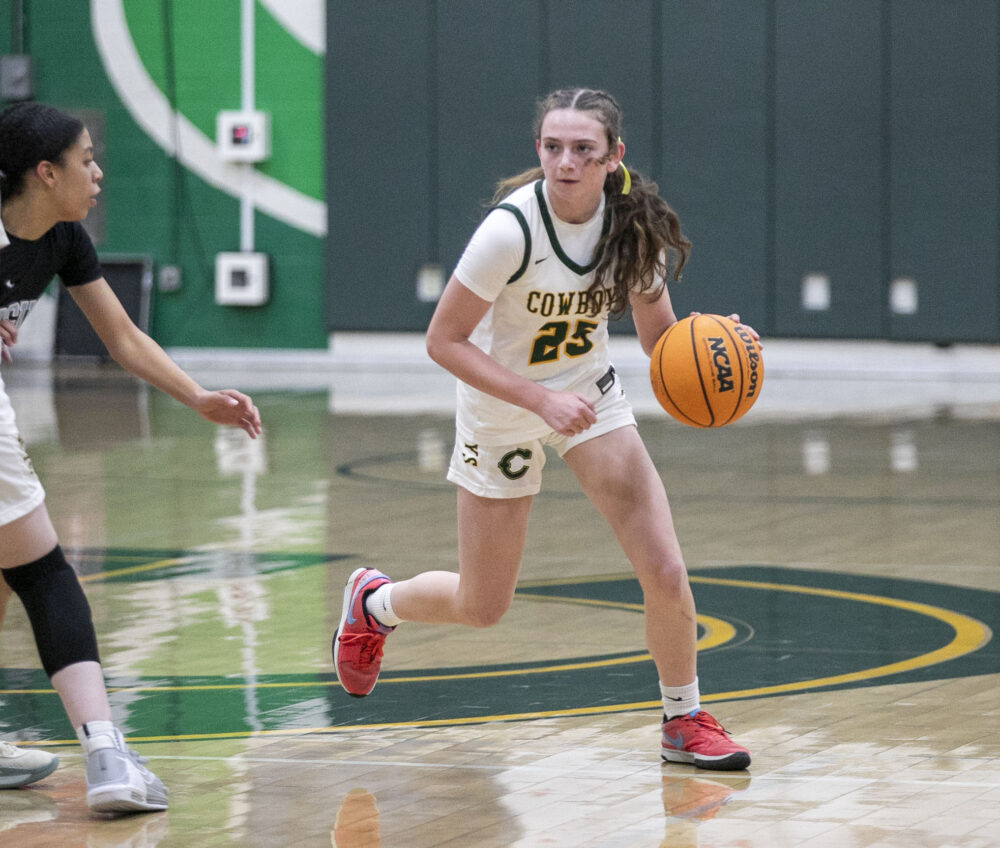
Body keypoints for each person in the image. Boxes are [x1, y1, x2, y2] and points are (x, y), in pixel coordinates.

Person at [332, 87, 754, 771]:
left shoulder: (629, 230)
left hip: (589, 398)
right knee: (482, 605)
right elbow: (444, 341)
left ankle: (684, 720)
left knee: (666, 566)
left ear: (612, 156)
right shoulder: (509, 231)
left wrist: (718, 343)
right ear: (539, 151)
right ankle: (375, 603)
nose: (565, 162)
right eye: (553, 147)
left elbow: (661, 340)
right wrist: (536, 399)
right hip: (501, 407)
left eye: (583, 150)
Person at [0, 101, 262, 811]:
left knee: (10, 570)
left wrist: (199, 396)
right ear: (45, 171)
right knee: (45, 573)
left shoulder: (61, 237)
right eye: (86, 158)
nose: (99, 170)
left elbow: (120, 335)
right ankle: (107, 755)